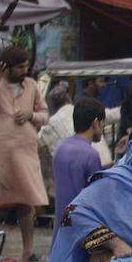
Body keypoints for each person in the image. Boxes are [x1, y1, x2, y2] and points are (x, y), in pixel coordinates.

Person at [0, 46, 49, 262]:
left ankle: (28, 252)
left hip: (26, 151)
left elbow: (45, 115)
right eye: (19, 67)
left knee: (27, 202)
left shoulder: (31, 86)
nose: (24, 70)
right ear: (6, 67)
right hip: (1, 154)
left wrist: (31, 115)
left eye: (26, 66)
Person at [52, 97, 106, 230]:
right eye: (102, 124)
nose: (103, 128)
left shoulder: (60, 147)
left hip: (60, 226)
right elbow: (98, 196)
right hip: (81, 227)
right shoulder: (91, 154)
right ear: (95, 123)